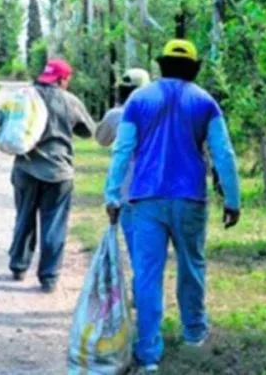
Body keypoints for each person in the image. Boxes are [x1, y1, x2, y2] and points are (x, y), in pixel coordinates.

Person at [103, 39, 241, 372]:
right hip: (189, 199)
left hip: (146, 199)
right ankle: (194, 332)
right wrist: (232, 199)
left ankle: (148, 353)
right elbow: (223, 154)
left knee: (147, 274)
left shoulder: (139, 99)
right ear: (194, 68)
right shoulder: (206, 102)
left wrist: (112, 193)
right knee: (191, 267)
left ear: (162, 65)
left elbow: (122, 150)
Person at [4, 58, 95, 293]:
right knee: (53, 223)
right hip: (58, 173)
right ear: (63, 79)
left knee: (24, 217)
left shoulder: (24, 96)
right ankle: (49, 276)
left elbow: (1, 120)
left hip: (25, 168)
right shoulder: (70, 101)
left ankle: (18, 265)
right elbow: (88, 131)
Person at [94, 68, 150, 284]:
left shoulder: (116, 115)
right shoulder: (158, 113)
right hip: (155, 188)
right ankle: (144, 288)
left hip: (126, 189)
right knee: (152, 246)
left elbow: (101, 139)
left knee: (135, 244)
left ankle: (141, 287)